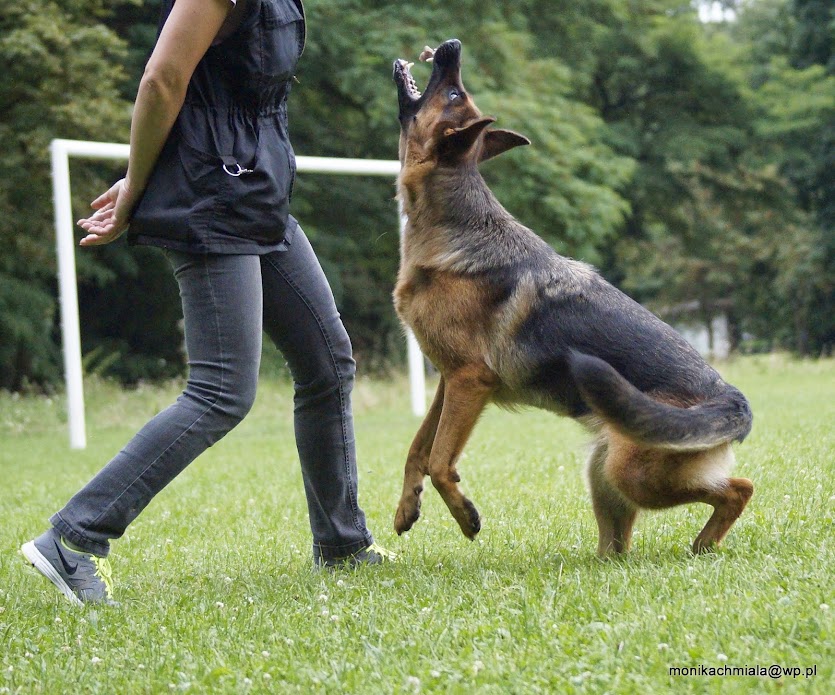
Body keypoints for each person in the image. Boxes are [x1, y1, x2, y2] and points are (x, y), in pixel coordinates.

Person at [21, 0, 393, 606]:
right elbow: (162, 79)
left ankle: (343, 544)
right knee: (221, 391)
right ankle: (73, 537)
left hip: (258, 192)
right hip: (211, 193)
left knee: (328, 365)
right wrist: (137, 186)